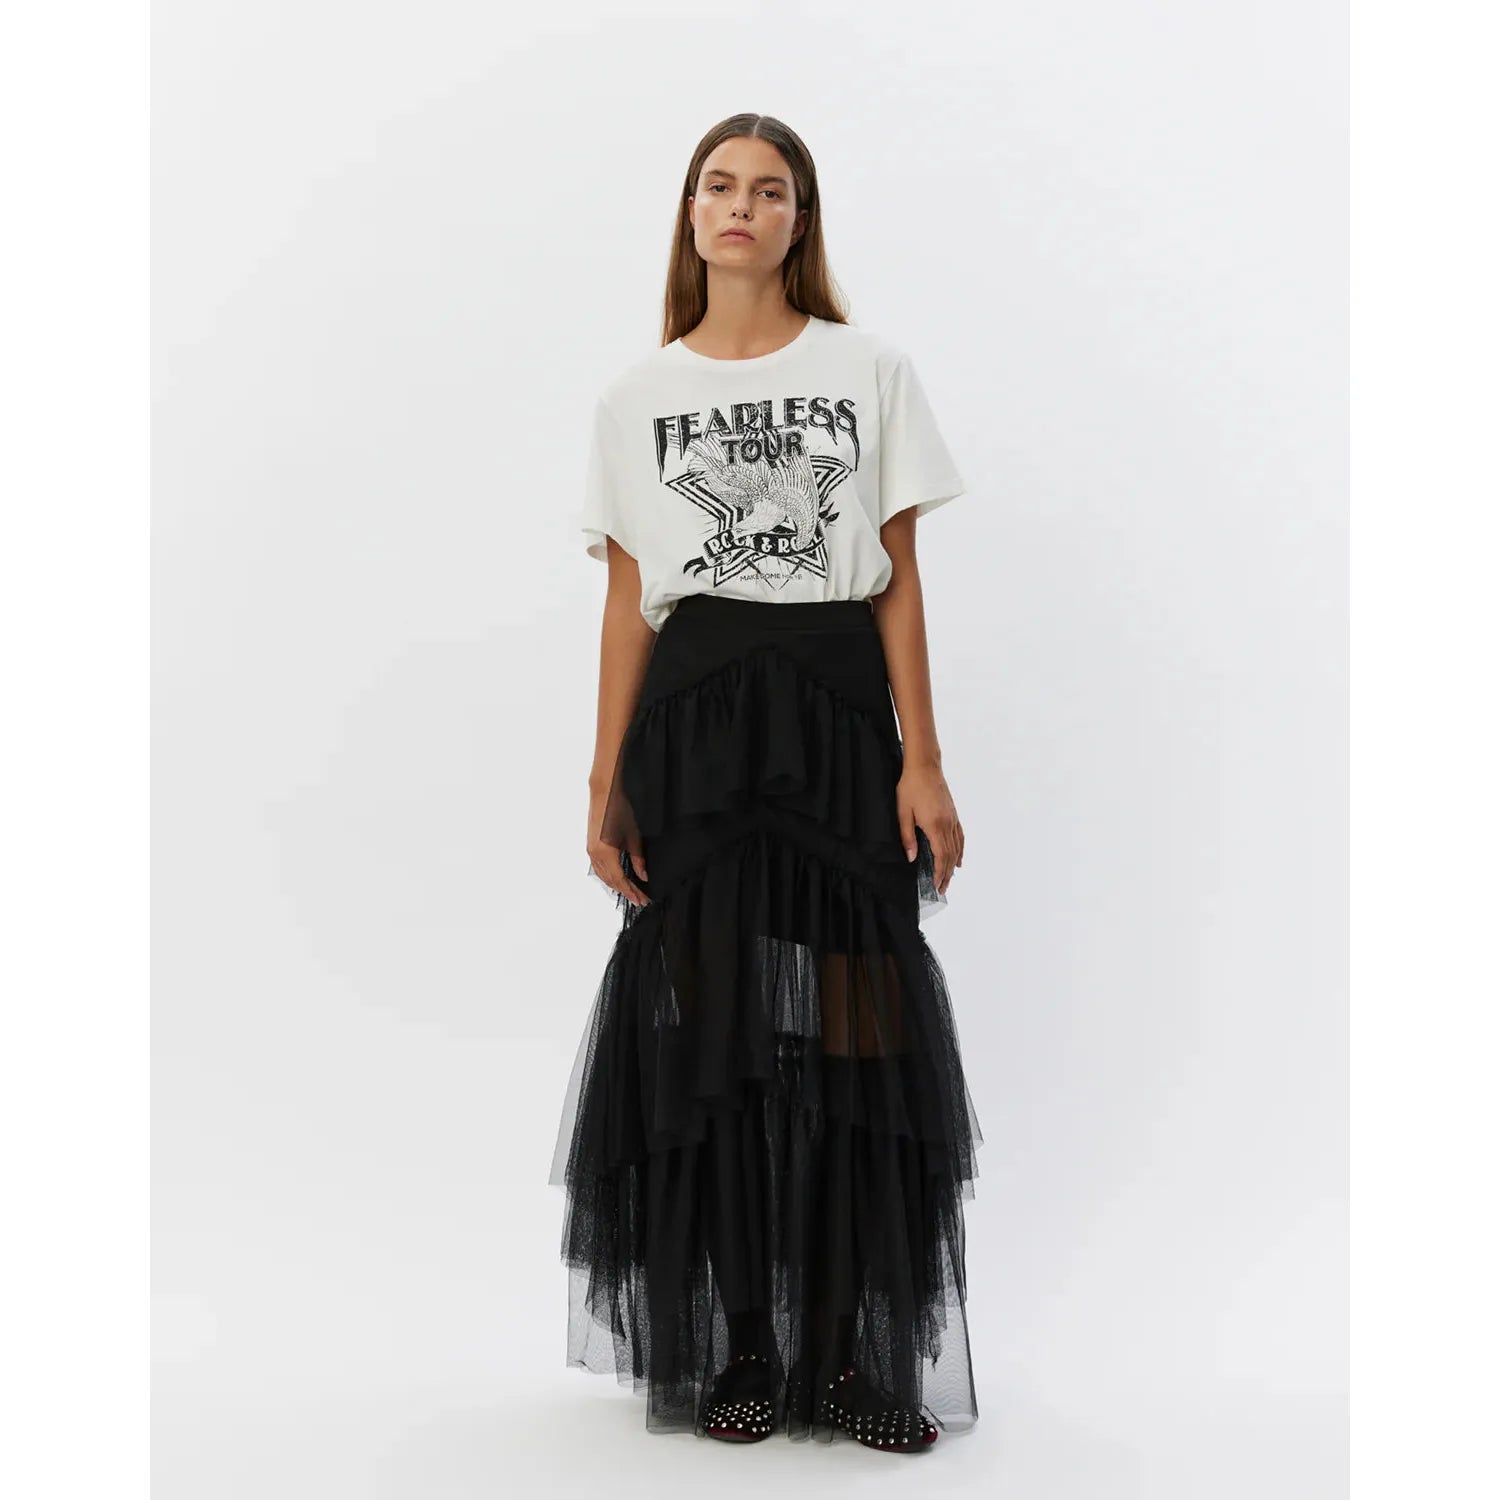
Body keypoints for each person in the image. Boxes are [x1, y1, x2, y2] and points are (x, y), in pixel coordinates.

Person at [548, 113, 984, 1453]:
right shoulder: (635, 397)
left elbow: (898, 575)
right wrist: (606, 778)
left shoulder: (870, 369)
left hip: (839, 718)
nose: (741, 205)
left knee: (861, 1028)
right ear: (691, 212)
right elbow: (630, 601)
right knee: (711, 1036)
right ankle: (742, 1346)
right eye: (719, 185)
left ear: (802, 219)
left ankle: (849, 1359)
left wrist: (923, 756)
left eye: (770, 189)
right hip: (696, 728)